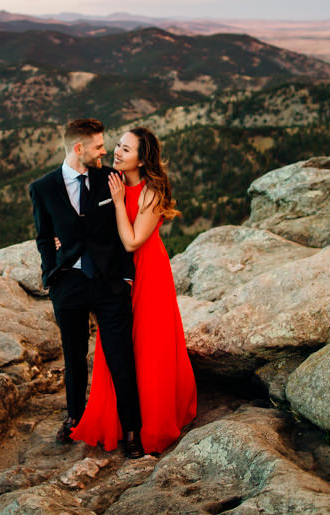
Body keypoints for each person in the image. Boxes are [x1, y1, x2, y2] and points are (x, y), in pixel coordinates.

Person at [70, 127, 197, 454]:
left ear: (142, 158)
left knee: (148, 345)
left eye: (126, 150)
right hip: (113, 276)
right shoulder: (109, 178)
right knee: (117, 347)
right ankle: (116, 419)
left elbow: (131, 241)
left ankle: (151, 423)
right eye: (118, 146)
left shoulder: (152, 191)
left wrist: (116, 202)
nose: (117, 152)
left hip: (148, 273)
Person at [29, 118, 145, 459]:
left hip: (110, 283)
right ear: (79, 149)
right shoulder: (43, 188)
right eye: (98, 146)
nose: (105, 150)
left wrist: (126, 277)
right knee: (74, 355)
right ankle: (74, 417)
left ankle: (131, 429)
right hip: (69, 284)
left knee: (120, 356)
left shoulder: (111, 178)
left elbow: (125, 222)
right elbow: (42, 236)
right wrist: (51, 274)